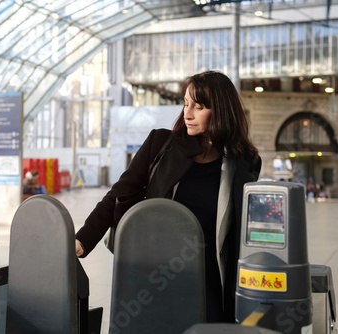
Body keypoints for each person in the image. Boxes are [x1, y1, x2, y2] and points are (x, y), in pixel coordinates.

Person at [74, 71, 261, 323]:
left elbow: (242, 231)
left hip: (212, 281)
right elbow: (119, 193)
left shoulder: (244, 162)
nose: (188, 113)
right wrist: (82, 240)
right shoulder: (160, 144)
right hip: (156, 273)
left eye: (199, 106)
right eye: (185, 103)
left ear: (221, 111)